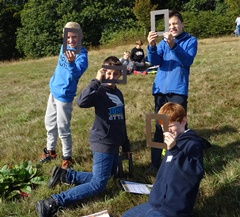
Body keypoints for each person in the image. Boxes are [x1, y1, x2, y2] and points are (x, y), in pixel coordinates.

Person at [35, 56, 131, 217]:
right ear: (103, 72)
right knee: (98, 185)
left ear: (120, 75)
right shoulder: (99, 91)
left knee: (111, 175)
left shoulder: (119, 94)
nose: (111, 78)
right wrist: (96, 80)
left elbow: (122, 120)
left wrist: (126, 145)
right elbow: (81, 101)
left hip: (115, 143)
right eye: (107, 73)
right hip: (102, 142)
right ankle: (53, 201)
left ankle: (66, 174)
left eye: (115, 74)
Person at [122, 102, 204, 217]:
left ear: (183, 121)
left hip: (172, 209)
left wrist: (175, 151)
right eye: (163, 127)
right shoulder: (173, 142)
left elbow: (195, 173)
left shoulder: (192, 144)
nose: (167, 131)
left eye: (170, 126)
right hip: (155, 203)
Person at [147, 10, 198, 171]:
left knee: (178, 126)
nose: (172, 27)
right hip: (160, 90)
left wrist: (174, 46)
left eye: (175, 23)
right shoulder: (163, 42)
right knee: (158, 127)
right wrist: (152, 46)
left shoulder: (191, 40)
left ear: (182, 24)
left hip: (177, 90)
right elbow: (154, 61)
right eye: (169, 25)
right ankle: (155, 164)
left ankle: (181, 162)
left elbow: (187, 61)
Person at [39, 22, 88, 169]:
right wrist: (53, 82)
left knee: (63, 128)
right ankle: (50, 151)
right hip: (54, 90)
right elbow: (59, 67)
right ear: (64, 36)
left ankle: (67, 157)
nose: (71, 40)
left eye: (74, 37)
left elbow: (76, 74)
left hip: (65, 95)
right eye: (68, 37)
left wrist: (72, 63)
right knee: (49, 123)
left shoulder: (82, 55)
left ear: (80, 36)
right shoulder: (63, 48)